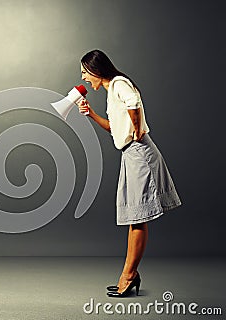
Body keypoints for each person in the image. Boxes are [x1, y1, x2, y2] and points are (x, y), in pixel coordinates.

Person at [77, 49, 181, 297]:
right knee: (135, 217)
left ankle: (129, 275)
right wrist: (91, 114)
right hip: (130, 154)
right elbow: (114, 128)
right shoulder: (112, 91)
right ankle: (129, 275)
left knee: (137, 217)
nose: (83, 78)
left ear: (95, 70)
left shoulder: (118, 83)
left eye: (84, 72)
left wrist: (136, 129)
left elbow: (134, 103)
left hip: (139, 153)